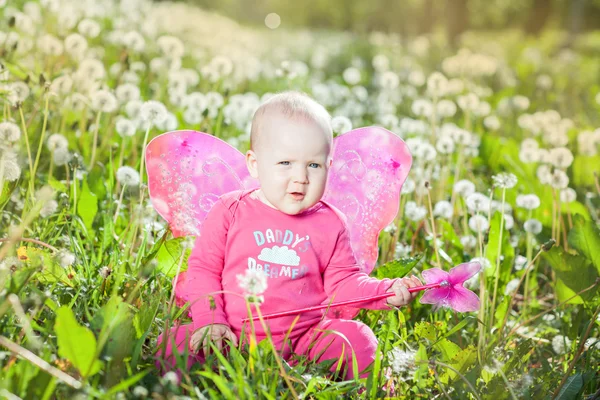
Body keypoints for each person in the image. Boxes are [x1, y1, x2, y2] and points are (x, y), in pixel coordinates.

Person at [157, 90, 422, 379]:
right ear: (254, 164)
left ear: (329, 168)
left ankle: (369, 390)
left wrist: (385, 291)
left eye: (313, 165)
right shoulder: (230, 210)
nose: (301, 177)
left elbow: (344, 283)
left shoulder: (332, 222)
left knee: (359, 341)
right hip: (229, 336)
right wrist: (211, 321)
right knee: (171, 345)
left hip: (305, 341)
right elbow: (204, 269)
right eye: (285, 163)